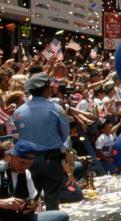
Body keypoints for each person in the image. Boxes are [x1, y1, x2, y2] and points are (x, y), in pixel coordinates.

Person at [12, 72, 70, 210]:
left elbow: (16, 136)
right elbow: (65, 134)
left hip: (26, 160)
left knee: (31, 200)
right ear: (45, 89)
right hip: (51, 159)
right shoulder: (56, 109)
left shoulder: (18, 112)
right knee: (52, 199)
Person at [0, 140, 70, 221]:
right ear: (13, 156)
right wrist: (2, 203)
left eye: (29, 164)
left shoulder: (26, 173)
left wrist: (32, 204)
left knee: (61, 216)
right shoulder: (1, 171)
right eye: (22, 162)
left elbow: (33, 198)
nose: (25, 167)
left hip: (21, 218)